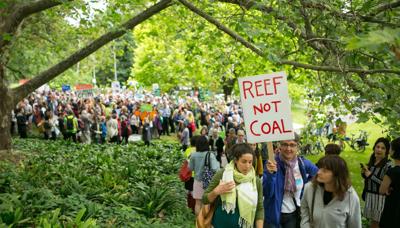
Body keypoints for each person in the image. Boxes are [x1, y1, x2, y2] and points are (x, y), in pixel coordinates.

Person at [263, 133, 318, 228]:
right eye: (285, 144)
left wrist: (306, 187)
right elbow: (267, 193)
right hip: (273, 215)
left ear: (297, 146)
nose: (288, 149)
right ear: (280, 146)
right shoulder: (272, 163)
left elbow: (317, 174)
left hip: (293, 214)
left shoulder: (302, 163)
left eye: (292, 145)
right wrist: (271, 175)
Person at [202, 143, 264, 228]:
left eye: (250, 162)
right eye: (244, 161)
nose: (247, 166)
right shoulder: (223, 174)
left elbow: (259, 208)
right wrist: (216, 192)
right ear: (235, 160)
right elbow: (205, 199)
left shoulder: (255, 181)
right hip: (220, 224)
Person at [300, 155, 361, 228]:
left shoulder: (351, 197)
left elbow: (355, 224)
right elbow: (304, 208)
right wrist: (305, 225)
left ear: (337, 175)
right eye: (319, 168)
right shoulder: (310, 188)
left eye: (324, 171)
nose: (318, 172)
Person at [361, 137, 391, 228]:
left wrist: (370, 175)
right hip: (370, 196)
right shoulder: (372, 162)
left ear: (387, 151)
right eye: (377, 147)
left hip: (380, 198)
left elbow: (385, 185)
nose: (379, 150)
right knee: (373, 223)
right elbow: (368, 179)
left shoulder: (388, 165)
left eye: (383, 148)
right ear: (374, 148)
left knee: (377, 224)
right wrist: (364, 173)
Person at [189, 136, 220, 215]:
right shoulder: (210, 155)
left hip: (197, 181)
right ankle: (205, 221)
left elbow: (190, 168)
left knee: (198, 203)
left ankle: (198, 222)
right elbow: (215, 169)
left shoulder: (193, 155)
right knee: (206, 203)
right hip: (208, 182)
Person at [379, 137, 400, 228]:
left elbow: (382, 190)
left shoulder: (392, 172)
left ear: (394, 151)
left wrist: (388, 188)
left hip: (393, 207)